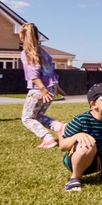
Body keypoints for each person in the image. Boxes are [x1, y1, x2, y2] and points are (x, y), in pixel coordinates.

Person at [19, 22, 64, 150]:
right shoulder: (44, 53)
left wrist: (43, 90)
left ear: (21, 36)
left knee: (27, 118)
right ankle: (59, 127)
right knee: (37, 116)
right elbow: (51, 71)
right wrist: (57, 88)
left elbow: (33, 74)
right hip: (51, 88)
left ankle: (47, 138)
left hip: (39, 90)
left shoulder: (27, 53)